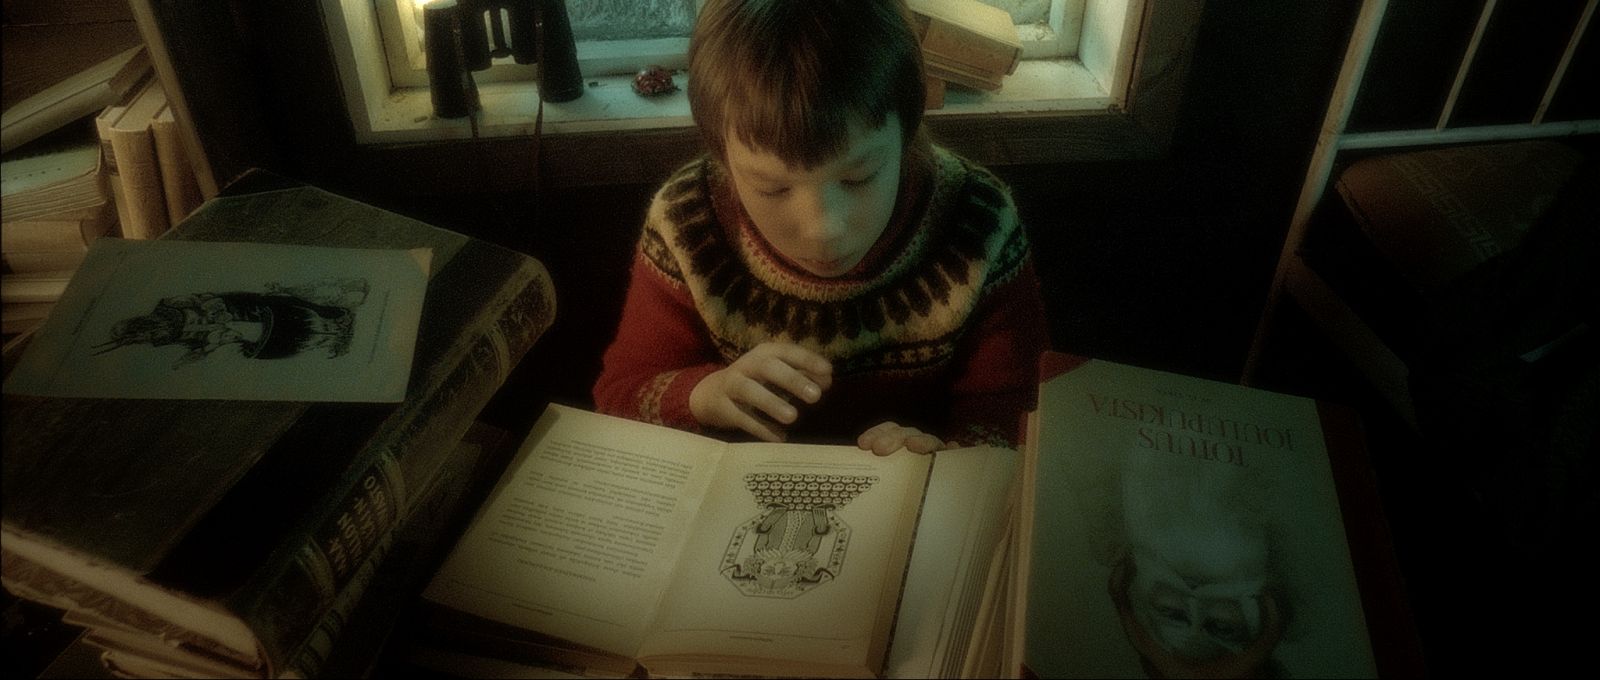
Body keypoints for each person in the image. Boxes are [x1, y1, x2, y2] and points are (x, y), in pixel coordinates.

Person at [593, 0, 1049, 454]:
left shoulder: (979, 221)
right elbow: (620, 395)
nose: (823, 230)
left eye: (858, 178)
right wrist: (701, 396)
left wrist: (957, 456)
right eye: (772, 188)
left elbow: (1020, 413)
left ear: (907, 134)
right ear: (723, 158)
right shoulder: (687, 221)